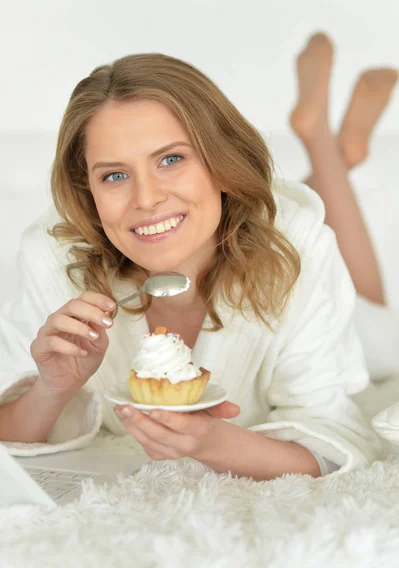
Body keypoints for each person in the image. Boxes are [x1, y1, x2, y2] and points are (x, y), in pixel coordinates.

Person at [0, 52, 380, 480]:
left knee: (379, 318)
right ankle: (334, 150)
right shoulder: (53, 256)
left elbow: (340, 440)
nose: (146, 199)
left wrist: (215, 443)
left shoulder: (297, 247)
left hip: (308, 268)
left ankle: (325, 146)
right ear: (86, 189)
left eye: (171, 159)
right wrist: (51, 390)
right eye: (114, 176)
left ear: (222, 160)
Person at [288, 32, 399, 448]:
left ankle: (327, 149)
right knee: (379, 328)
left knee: (379, 328)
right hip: (340, 343)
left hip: (330, 339)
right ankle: (332, 154)